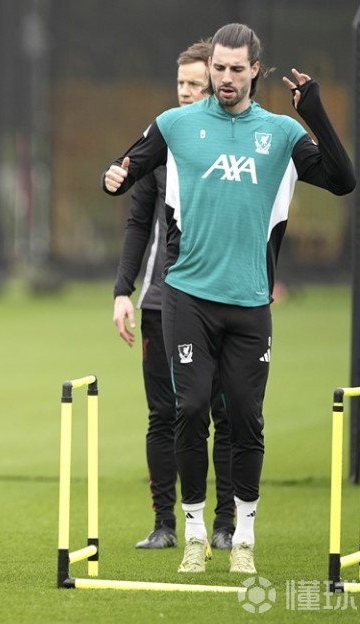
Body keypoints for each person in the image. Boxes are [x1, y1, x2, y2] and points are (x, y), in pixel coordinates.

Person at [102, 23, 354, 575]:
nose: (225, 78)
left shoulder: (281, 133)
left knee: (244, 417)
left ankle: (243, 535)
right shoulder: (176, 124)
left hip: (250, 300)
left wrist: (314, 112)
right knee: (190, 408)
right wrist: (115, 176)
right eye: (218, 68)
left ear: (255, 70)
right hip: (187, 295)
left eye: (237, 69)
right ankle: (193, 531)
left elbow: (343, 180)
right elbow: (126, 166)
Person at [112, 39, 235, 552]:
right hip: (161, 302)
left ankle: (226, 526)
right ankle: (165, 524)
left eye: (196, 85)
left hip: (222, 301)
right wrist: (123, 291)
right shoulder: (160, 144)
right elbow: (138, 222)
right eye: (181, 83)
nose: (185, 93)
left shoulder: (234, 147)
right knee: (164, 414)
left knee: (223, 414)